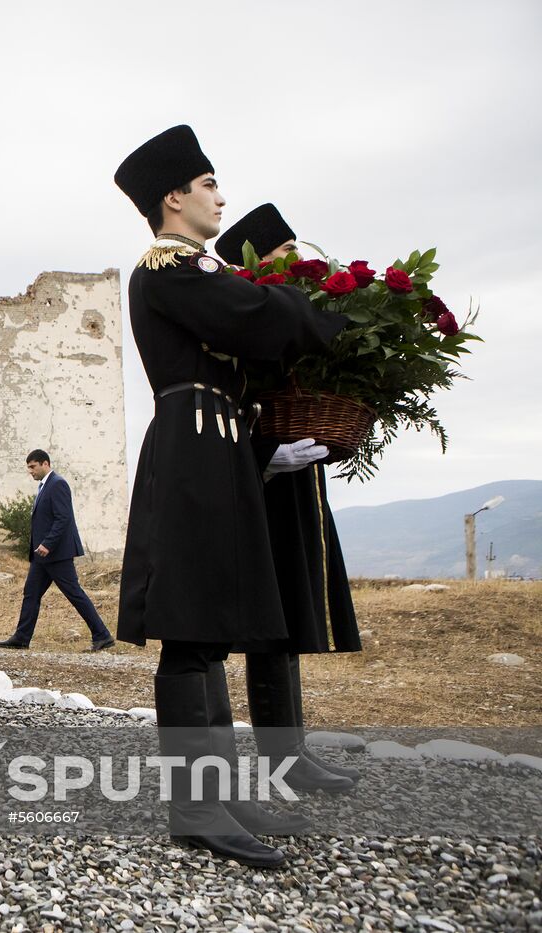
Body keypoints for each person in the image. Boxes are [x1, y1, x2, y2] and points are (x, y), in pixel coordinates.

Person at [113, 126, 346, 867]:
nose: (221, 195)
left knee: (211, 625)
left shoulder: (199, 267)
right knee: (190, 629)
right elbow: (256, 317)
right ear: (173, 197)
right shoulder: (168, 267)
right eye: (209, 184)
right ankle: (194, 805)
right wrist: (332, 317)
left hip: (222, 449)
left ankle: (216, 790)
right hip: (192, 449)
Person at [214, 204, 362, 793]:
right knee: (267, 623)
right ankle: (276, 760)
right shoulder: (238, 317)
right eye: (284, 252)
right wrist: (262, 456)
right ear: (257, 261)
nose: (297, 260)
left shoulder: (288, 314)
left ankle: (291, 753)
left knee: (292, 615)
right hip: (259, 485)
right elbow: (230, 402)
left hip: (297, 477)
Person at [0, 449, 113, 651]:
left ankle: (102, 635)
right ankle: (22, 638)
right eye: (28, 467)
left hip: (57, 554)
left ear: (45, 464)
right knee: (31, 593)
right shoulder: (44, 486)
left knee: (74, 593)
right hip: (42, 557)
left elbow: (63, 518)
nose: (30, 471)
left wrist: (48, 544)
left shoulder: (58, 484)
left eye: (33, 467)